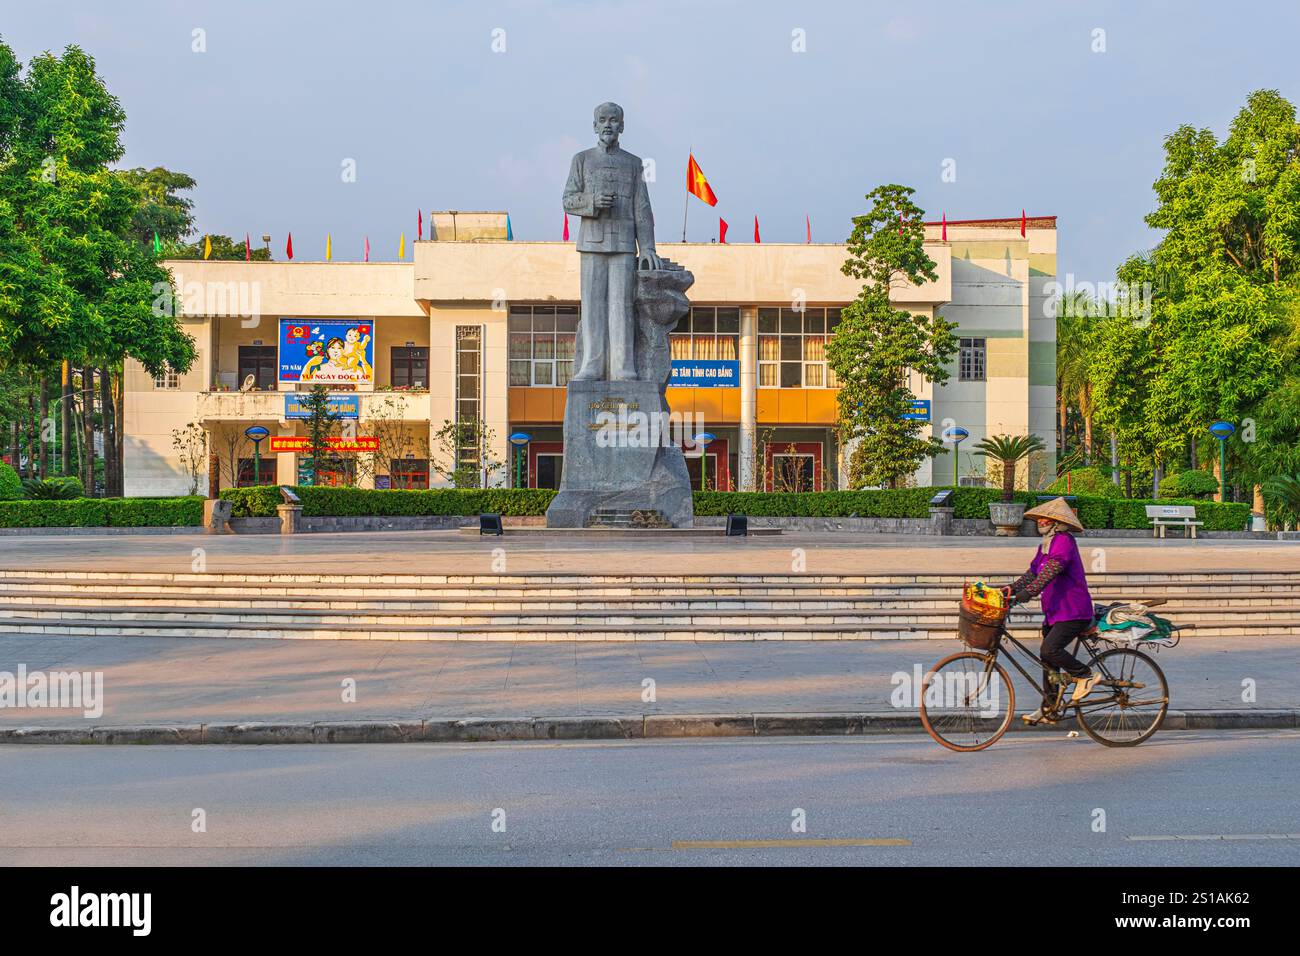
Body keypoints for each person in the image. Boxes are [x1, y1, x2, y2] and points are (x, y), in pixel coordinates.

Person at [1001, 497, 1099, 724]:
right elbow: (1033, 573)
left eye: (1046, 518)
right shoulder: (1046, 544)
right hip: (1056, 612)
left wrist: (1029, 592)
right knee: (1047, 658)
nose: (1041, 522)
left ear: (1057, 523)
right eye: (1040, 518)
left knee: (1050, 649)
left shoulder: (1064, 541)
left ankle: (1085, 675)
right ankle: (1050, 707)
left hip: (1073, 611)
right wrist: (1011, 588)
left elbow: (1052, 570)